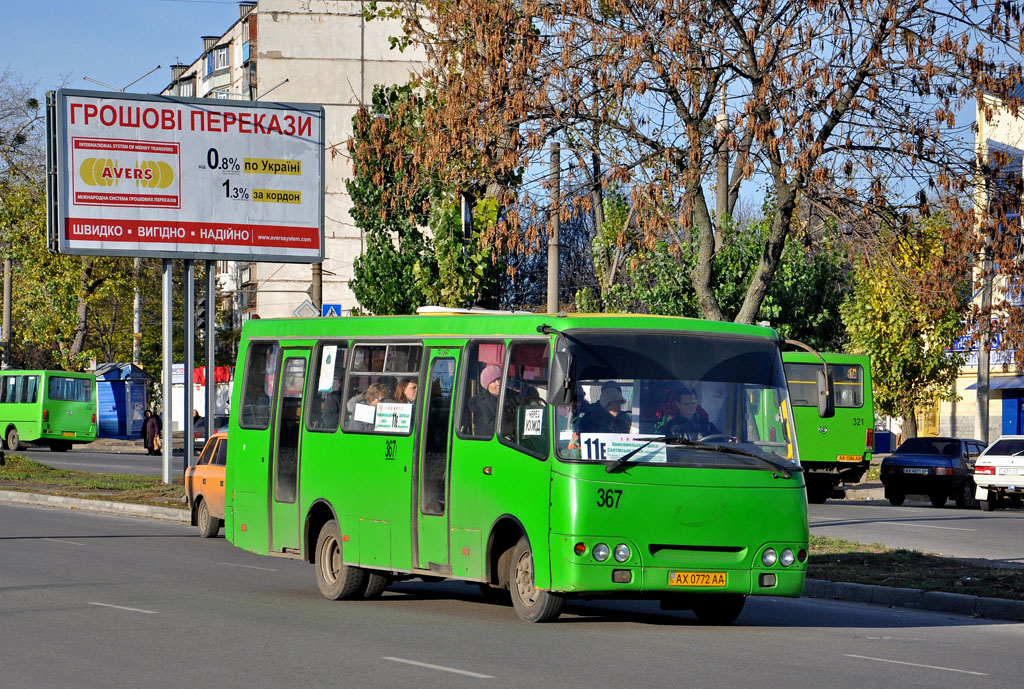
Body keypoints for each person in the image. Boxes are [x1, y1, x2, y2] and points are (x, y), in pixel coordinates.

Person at [470, 365, 502, 435]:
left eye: (500, 379)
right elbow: (489, 429)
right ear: (487, 385)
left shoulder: (511, 396)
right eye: (493, 381)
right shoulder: (481, 403)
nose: (498, 383)